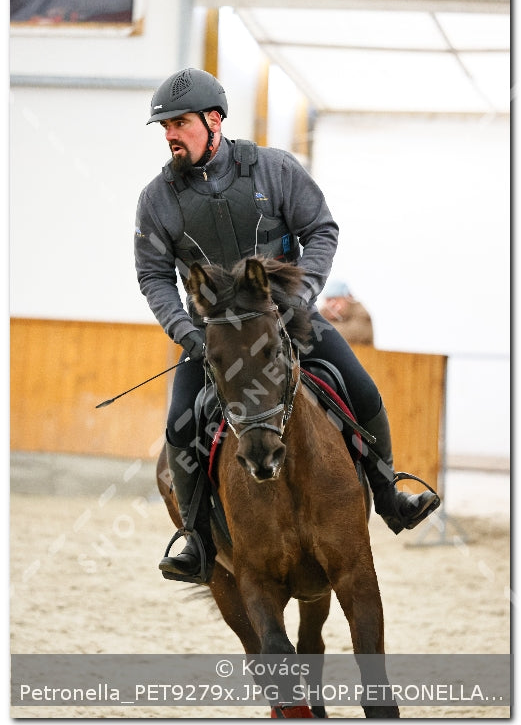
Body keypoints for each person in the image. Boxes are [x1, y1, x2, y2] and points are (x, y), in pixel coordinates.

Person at [134, 67, 440, 583]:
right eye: (163, 127)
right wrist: (188, 333)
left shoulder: (275, 170)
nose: (168, 135)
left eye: (177, 123)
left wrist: (300, 295)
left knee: (362, 391)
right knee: (179, 426)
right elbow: (153, 275)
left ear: (213, 121)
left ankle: (389, 495)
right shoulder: (157, 199)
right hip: (213, 337)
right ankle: (197, 541)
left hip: (293, 321)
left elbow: (321, 229)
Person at [319, 279, 374, 346]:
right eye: (328, 300)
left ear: (348, 299)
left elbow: (353, 334)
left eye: (336, 299)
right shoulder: (322, 313)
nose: (332, 304)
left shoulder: (361, 313)